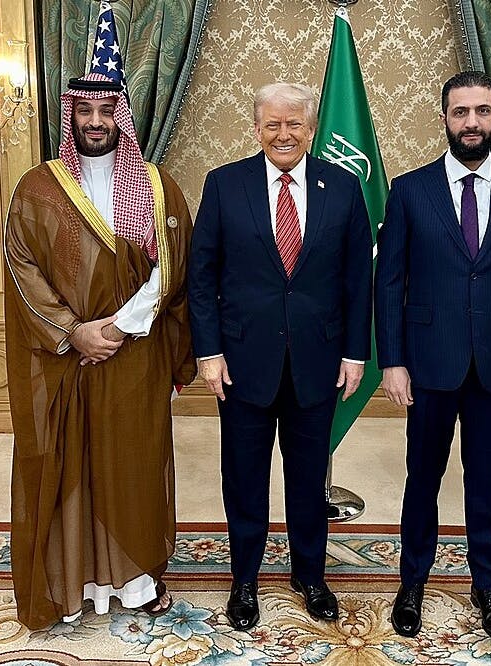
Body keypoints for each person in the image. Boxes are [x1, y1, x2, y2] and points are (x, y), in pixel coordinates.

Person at [2, 50, 195, 628]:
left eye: (105, 110)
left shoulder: (159, 186)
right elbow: (21, 266)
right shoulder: (37, 187)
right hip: (63, 359)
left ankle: (134, 580)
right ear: (70, 117)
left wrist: (117, 327)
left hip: (134, 356)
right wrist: (74, 331)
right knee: (67, 463)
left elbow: (174, 266)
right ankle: (71, 582)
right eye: (83, 110)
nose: (93, 121)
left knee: (131, 463)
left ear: (122, 116)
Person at [375, 71, 491, 642]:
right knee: (421, 479)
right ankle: (412, 584)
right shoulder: (409, 190)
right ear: (445, 119)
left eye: (481, 111)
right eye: (460, 113)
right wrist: (393, 361)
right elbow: (389, 282)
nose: (471, 123)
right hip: (429, 362)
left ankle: (488, 586)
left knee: (486, 480)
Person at [187, 82, 373, 630]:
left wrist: (356, 353)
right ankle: (244, 578)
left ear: (311, 129)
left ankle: (310, 575)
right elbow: (202, 278)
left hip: (317, 360)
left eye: (294, 124)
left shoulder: (342, 187)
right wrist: (209, 352)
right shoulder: (224, 185)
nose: (284, 134)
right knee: (244, 475)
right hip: (242, 361)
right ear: (256, 129)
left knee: (309, 475)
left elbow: (358, 277)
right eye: (273, 124)